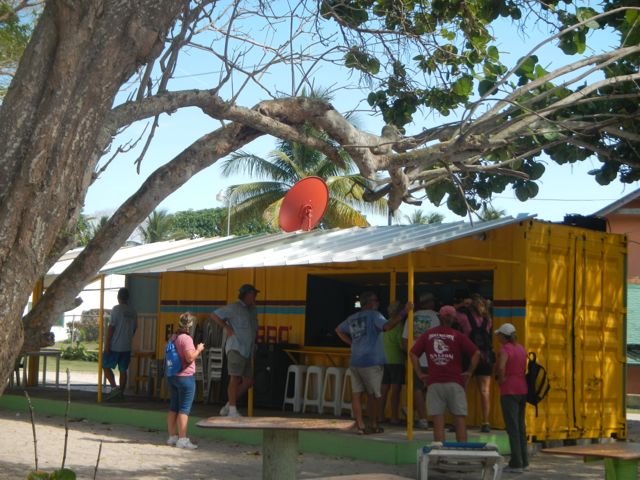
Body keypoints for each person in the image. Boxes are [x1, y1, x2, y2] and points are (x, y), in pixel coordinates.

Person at [336, 291, 412, 435]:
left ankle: (360, 425)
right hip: (372, 361)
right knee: (374, 395)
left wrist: (352, 343)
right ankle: (373, 424)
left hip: (355, 361)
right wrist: (404, 312)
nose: (378, 302)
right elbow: (387, 326)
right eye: (376, 300)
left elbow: (338, 330)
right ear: (369, 303)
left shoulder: (352, 318)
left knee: (357, 394)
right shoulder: (374, 315)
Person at [410, 305, 480, 442]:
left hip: (434, 382)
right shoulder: (457, 335)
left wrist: (419, 373)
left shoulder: (428, 335)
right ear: (453, 319)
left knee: (438, 421)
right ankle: (462, 451)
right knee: (459, 419)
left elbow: (413, 353)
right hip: (455, 382)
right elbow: (476, 353)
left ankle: (439, 451)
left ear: (439, 317)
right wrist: (469, 372)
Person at [210, 283, 259, 418]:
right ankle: (232, 410)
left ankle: (228, 405)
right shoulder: (234, 308)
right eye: (253, 294)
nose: (255, 297)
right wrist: (226, 327)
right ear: (246, 295)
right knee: (235, 377)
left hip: (247, 350)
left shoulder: (252, 310)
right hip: (236, 347)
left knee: (248, 381)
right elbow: (214, 315)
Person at [457, 293, 495, 432]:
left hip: (469, 356)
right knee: (484, 391)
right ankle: (485, 423)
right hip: (485, 358)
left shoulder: (463, 317)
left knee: (462, 389)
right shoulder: (488, 320)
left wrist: (461, 305)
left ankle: (460, 422)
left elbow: (446, 313)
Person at [167, 312, 205, 449]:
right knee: (184, 409)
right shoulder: (186, 339)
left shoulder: (173, 337)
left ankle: (172, 436)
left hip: (173, 376)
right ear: (190, 325)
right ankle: (182, 439)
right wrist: (199, 349)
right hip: (185, 377)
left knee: (173, 407)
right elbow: (189, 357)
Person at [402, 292, 440, 429]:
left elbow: (404, 342)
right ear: (430, 303)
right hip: (433, 359)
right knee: (432, 389)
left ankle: (422, 418)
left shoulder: (411, 316)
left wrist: (411, 354)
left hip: (416, 359)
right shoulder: (437, 317)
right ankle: (434, 419)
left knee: (417, 389)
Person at [495, 323, 529, 473]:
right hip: (522, 389)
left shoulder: (505, 350)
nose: (497, 337)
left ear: (504, 336)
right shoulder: (521, 349)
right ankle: (524, 461)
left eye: (499, 335)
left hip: (509, 390)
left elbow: (501, 367)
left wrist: (501, 380)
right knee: (521, 427)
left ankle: (516, 463)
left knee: (512, 428)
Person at [103, 287, 138, 400]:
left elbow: (111, 327)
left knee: (105, 366)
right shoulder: (133, 311)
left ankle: (114, 388)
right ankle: (121, 393)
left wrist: (107, 343)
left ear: (118, 297)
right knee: (123, 370)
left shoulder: (116, 309)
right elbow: (134, 329)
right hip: (126, 346)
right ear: (128, 298)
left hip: (115, 346)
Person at [380, 301, 406, 425]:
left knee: (384, 390)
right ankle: (394, 417)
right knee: (395, 391)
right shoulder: (399, 326)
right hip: (396, 360)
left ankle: (380, 416)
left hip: (383, 360)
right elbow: (402, 345)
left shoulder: (384, 324)